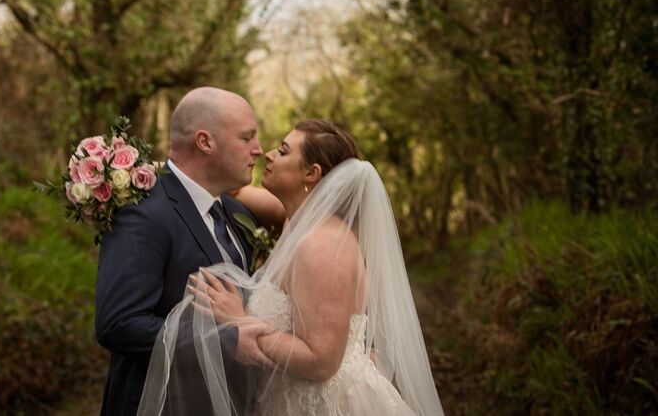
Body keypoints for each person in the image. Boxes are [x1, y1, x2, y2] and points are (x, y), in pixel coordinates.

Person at [138, 120, 444, 415]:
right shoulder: (295, 221)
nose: (269, 154)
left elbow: (321, 362)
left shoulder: (322, 246)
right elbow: (228, 189)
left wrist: (239, 321)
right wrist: (143, 173)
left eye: (283, 151)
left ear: (311, 173)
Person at [94, 87, 272, 416]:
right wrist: (227, 343)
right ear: (205, 142)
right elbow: (118, 323)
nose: (259, 150)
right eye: (246, 138)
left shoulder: (236, 213)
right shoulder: (144, 211)